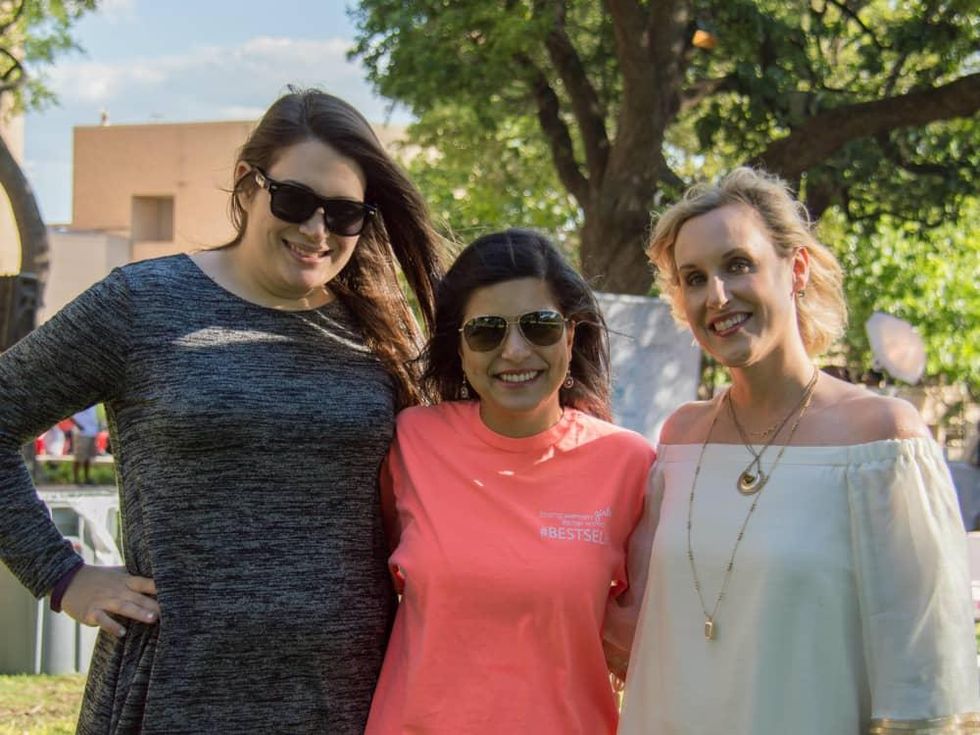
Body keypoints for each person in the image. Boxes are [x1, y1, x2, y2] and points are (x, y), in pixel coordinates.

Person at [0, 88, 444, 734]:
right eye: (295, 200)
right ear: (248, 182)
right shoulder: (142, 304)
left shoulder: (379, 333)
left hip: (344, 702)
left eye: (344, 214)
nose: (317, 231)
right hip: (173, 698)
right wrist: (61, 575)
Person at [609, 168, 979, 733]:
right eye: (694, 277)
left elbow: (924, 683)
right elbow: (640, 631)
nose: (718, 295)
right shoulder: (679, 440)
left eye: (738, 264)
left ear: (796, 268)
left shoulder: (882, 441)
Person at [364, 229, 655, 734]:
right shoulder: (411, 440)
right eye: (486, 331)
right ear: (459, 345)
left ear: (571, 334)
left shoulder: (629, 463)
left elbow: (650, 646)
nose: (515, 351)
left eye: (539, 326)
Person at [70, 404, 99, 485]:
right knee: (79, 456)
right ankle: (75, 479)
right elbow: (69, 415)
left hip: (92, 432)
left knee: (88, 457)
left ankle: (87, 478)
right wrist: (78, 426)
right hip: (81, 432)